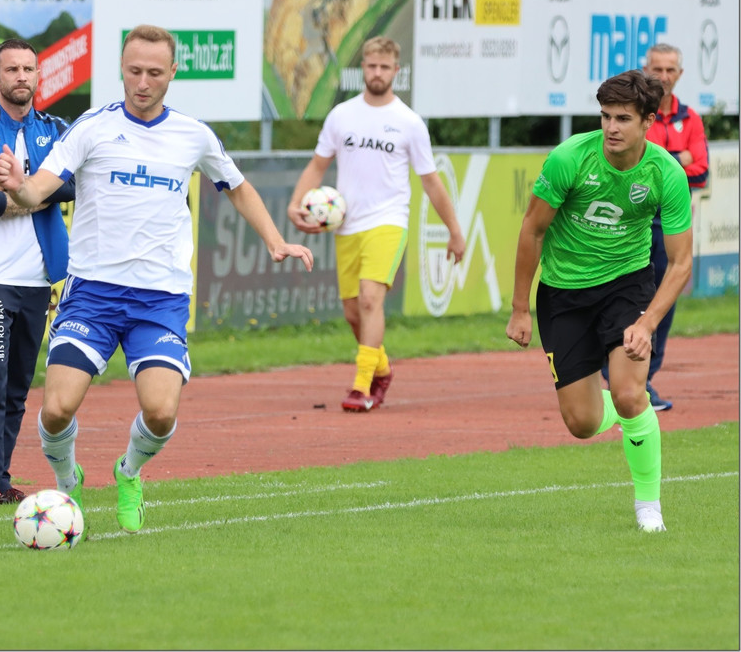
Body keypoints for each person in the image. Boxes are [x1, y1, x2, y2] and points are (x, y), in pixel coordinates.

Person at [0, 24, 314, 533]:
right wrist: (18, 186)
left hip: (160, 299)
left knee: (161, 412)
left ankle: (129, 472)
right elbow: (38, 191)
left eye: (154, 73)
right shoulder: (92, 127)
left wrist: (275, 241)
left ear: (173, 73)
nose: (142, 83)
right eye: (134, 71)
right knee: (56, 409)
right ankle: (68, 480)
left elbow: (237, 186)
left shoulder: (193, 134)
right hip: (92, 293)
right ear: (121, 68)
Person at [505, 69, 692, 533]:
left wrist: (647, 323)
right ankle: (619, 406)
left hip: (626, 285)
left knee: (629, 395)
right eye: (606, 116)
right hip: (563, 293)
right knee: (582, 423)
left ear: (648, 121)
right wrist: (520, 308)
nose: (611, 127)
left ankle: (649, 506)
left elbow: (680, 262)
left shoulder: (666, 174)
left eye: (623, 118)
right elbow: (532, 230)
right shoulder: (569, 158)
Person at [287, 36, 465, 413]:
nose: (378, 73)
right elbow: (318, 165)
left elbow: (431, 181)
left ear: (396, 71)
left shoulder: (408, 122)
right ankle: (382, 369)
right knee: (354, 314)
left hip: (388, 221)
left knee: (370, 299)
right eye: (372, 66)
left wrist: (454, 230)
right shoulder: (341, 116)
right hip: (346, 225)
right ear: (363, 68)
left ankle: (361, 386)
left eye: (385, 67)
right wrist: (294, 204)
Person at [0, 38, 76, 507]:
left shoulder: (58, 130)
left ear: (38, 75)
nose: (21, 76)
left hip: (37, 279)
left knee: (17, 388)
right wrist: (33, 192)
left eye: (28, 68)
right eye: (12, 69)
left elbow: (73, 185)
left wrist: (19, 189)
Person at [638, 43, 709, 411]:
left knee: (665, 299)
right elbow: (635, 169)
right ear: (645, 70)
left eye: (670, 70)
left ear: (679, 74)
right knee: (627, 296)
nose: (663, 77)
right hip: (636, 221)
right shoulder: (635, 114)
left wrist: (664, 166)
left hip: (674, 223)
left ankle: (645, 379)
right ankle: (615, 372)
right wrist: (680, 158)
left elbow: (702, 172)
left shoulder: (690, 118)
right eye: (657, 69)